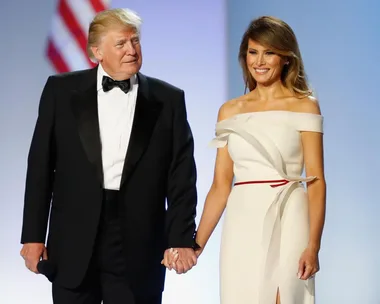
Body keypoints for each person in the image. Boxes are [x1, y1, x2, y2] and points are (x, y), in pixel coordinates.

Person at [19, 8, 199, 304]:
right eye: (121, 44)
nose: (131, 50)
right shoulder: (61, 92)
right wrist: (33, 235)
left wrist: (180, 239)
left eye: (135, 41)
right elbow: (40, 167)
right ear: (96, 52)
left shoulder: (169, 100)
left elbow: (181, 176)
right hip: (73, 238)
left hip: (140, 242)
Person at [194, 16, 326, 304]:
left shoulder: (304, 105)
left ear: (286, 58)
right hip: (243, 218)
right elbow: (220, 185)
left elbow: (316, 180)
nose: (260, 61)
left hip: (289, 213)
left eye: (269, 52)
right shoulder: (229, 111)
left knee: (286, 295)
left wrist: (313, 246)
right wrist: (196, 245)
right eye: (253, 52)